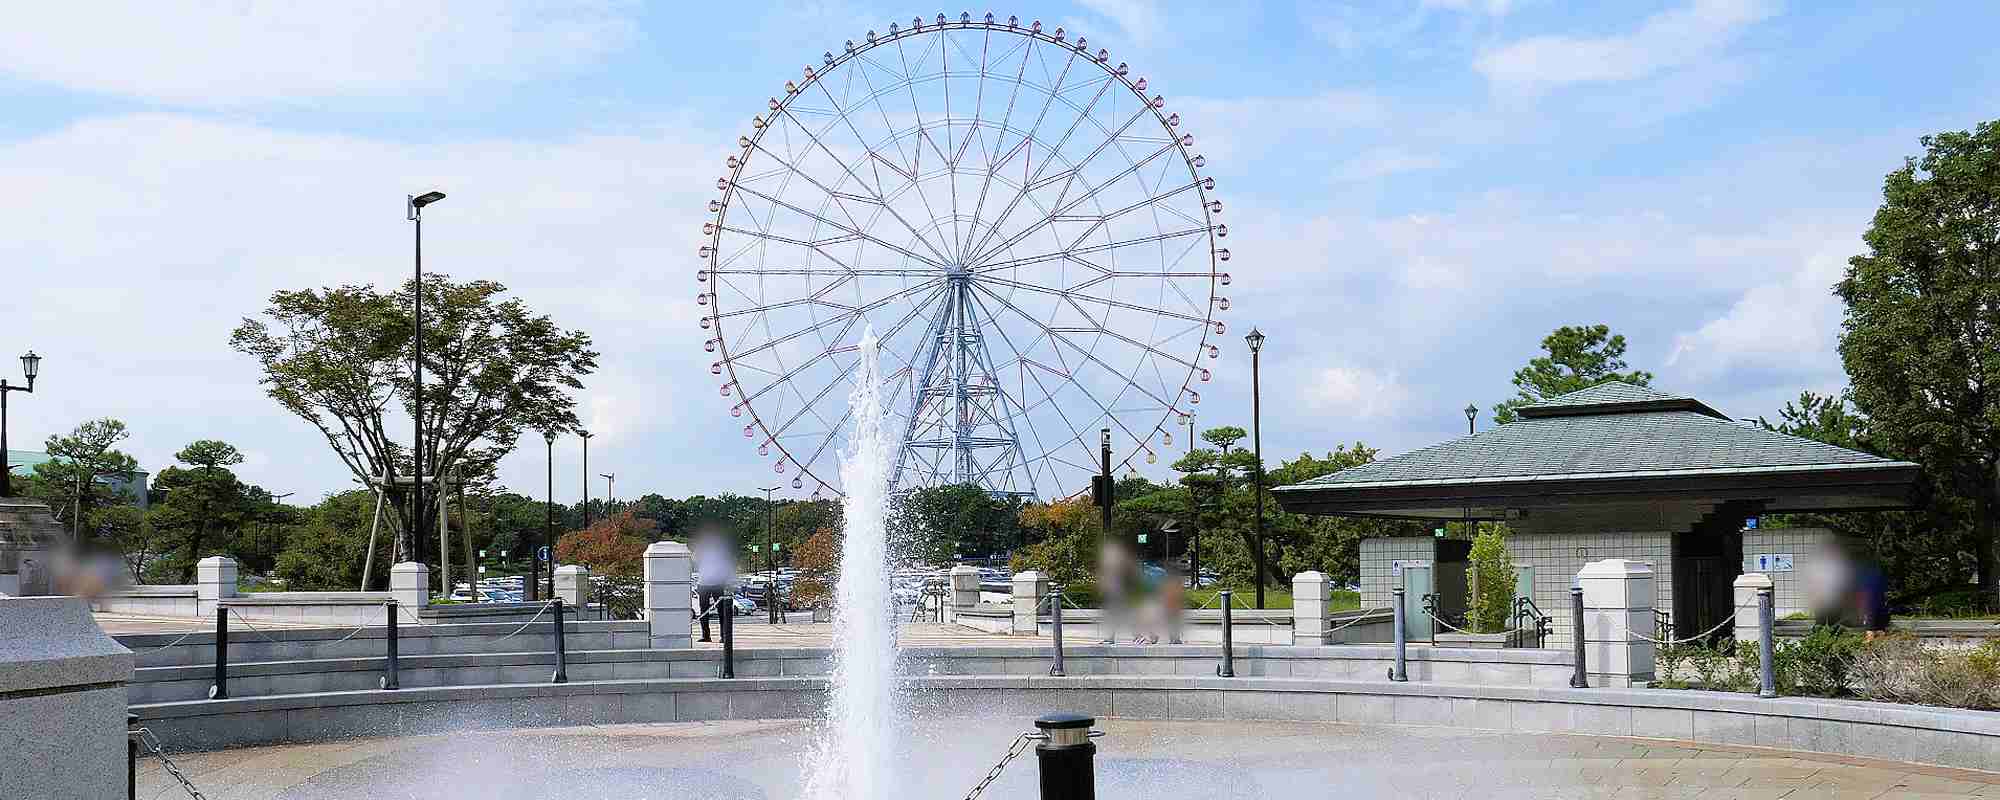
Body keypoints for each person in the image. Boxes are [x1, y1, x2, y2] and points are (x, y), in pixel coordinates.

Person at [693, 527, 735, 643]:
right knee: (703, 611)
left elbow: (727, 564)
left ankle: (724, 636)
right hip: (703, 582)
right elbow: (694, 558)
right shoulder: (701, 548)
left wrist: (729, 580)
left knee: (722, 611)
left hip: (718, 582)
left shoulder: (722, 549)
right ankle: (706, 635)